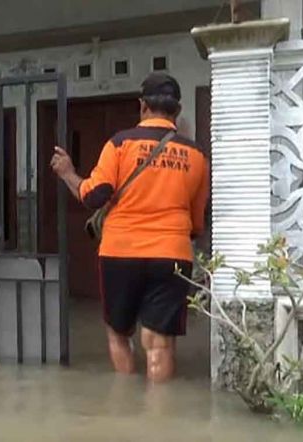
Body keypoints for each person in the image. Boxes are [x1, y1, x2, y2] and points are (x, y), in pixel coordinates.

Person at [51, 73, 209, 382]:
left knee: (119, 334)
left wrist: (68, 173)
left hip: (120, 253)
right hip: (171, 255)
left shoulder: (120, 143)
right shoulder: (197, 155)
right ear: (176, 110)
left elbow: (94, 195)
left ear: (142, 105)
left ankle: (125, 406)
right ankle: (157, 416)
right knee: (160, 344)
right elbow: (196, 222)